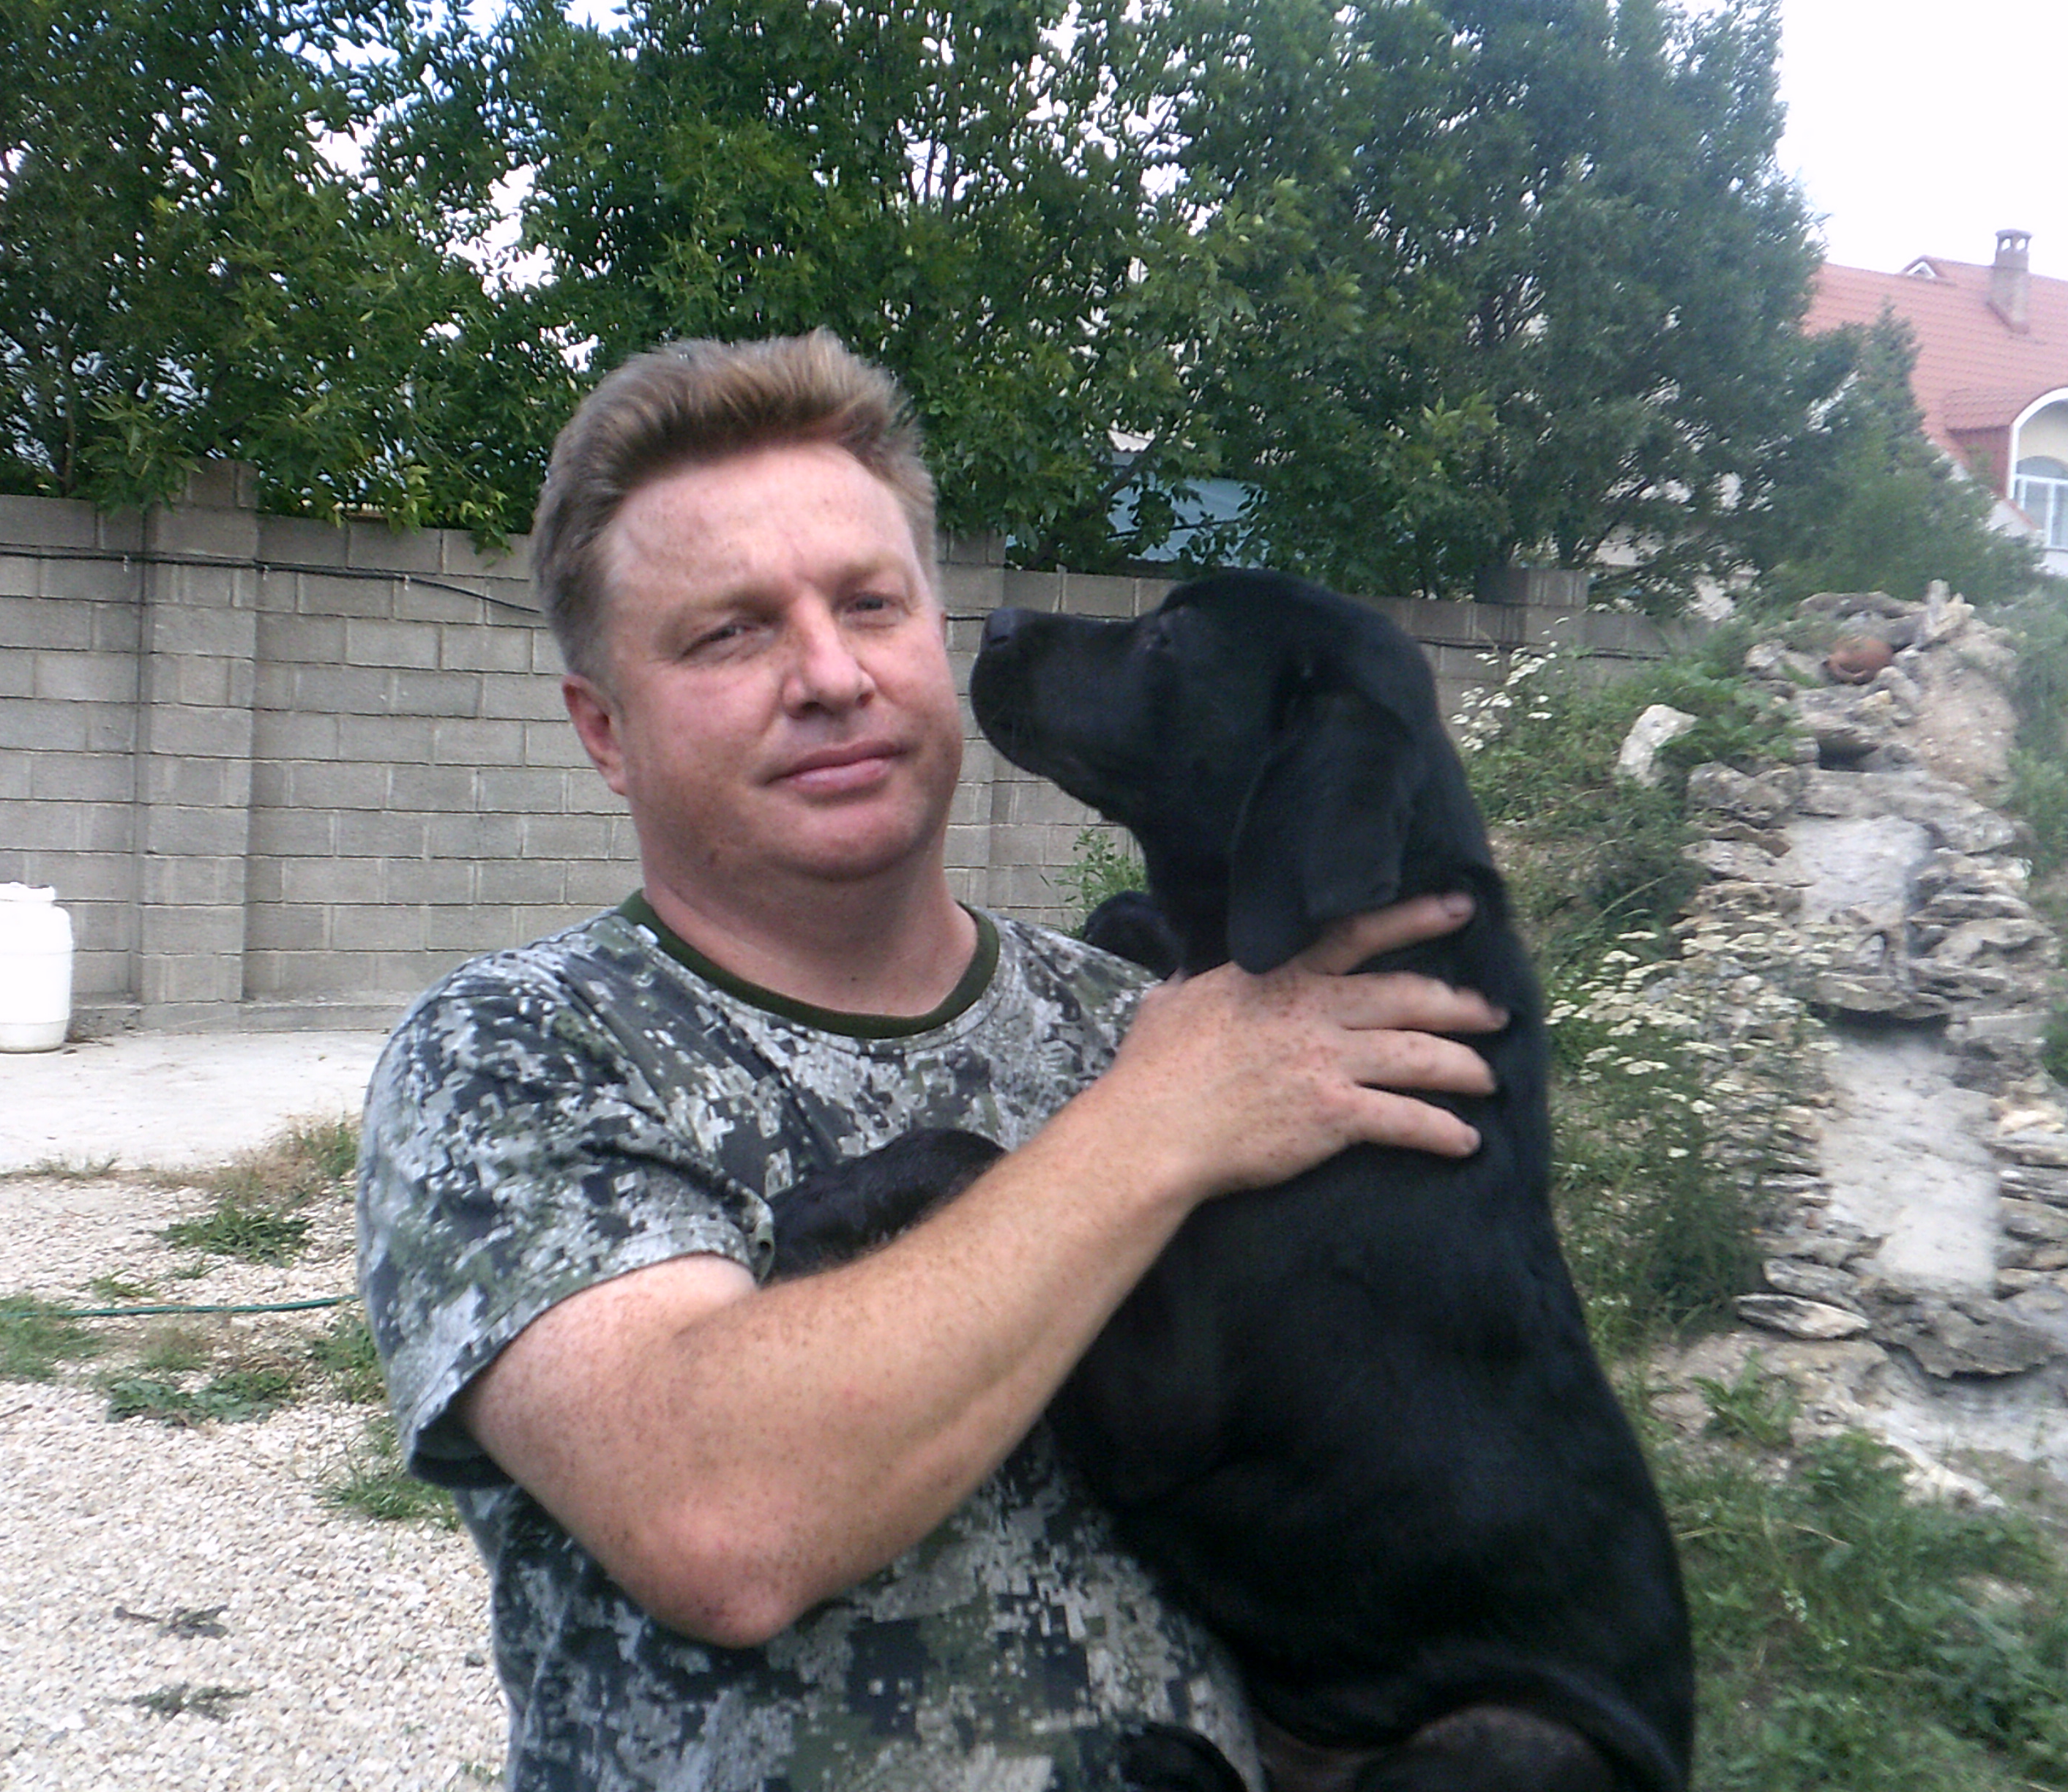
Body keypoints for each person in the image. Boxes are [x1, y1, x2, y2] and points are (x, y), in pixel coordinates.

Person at [355, 331, 1502, 1791]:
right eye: (731, 634)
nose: (832, 675)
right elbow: (719, 1515)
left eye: (870, 605)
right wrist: (1158, 1125)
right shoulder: (517, 1048)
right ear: (606, 732)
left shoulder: (1164, 1013)